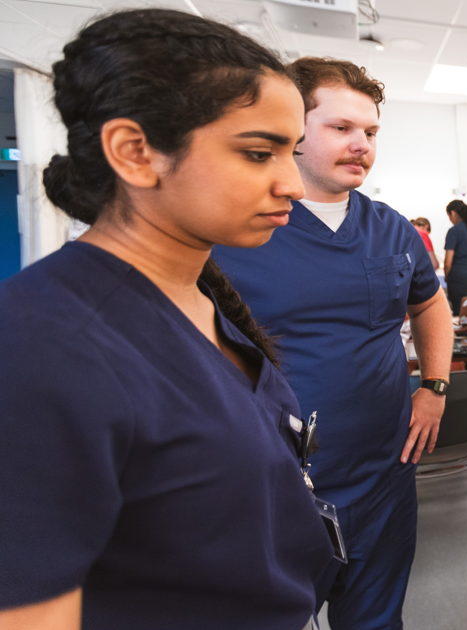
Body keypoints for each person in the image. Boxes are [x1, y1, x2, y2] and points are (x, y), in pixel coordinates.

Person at [0, 9, 334, 629]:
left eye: (293, 152)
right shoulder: (40, 345)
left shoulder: (197, 298)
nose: (292, 183)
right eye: (259, 153)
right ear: (135, 153)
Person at [212, 57, 452, 629]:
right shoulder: (236, 229)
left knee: (374, 618)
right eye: (340, 128)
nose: (361, 144)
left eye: (370, 132)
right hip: (273, 482)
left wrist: (435, 387)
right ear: (292, 128)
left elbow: (430, 304)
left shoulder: (390, 227)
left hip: (383, 472)